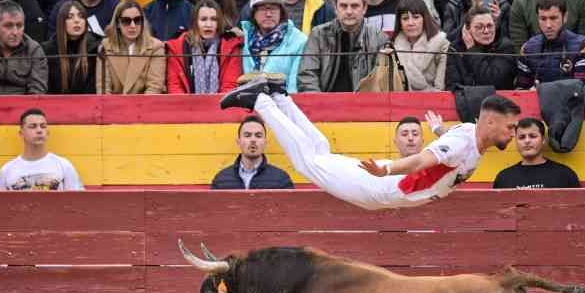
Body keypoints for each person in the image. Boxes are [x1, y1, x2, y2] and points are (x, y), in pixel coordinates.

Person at [220, 77, 522, 210]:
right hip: (381, 187)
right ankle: (261, 100)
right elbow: (420, 161)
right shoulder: (463, 142)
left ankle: (280, 97)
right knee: (309, 161)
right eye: (510, 127)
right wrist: (386, 169)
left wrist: (438, 129)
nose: (513, 134)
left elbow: (451, 142)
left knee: (320, 152)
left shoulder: (469, 133)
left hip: (385, 188)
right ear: (491, 123)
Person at [298, 0, 387, 93]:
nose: (349, 11)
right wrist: (319, 103)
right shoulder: (319, 34)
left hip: (364, 104)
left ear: (364, 8)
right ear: (335, 8)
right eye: (343, 6)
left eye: (354, 6)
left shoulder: (379, 38)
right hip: (324, 103)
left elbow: (382, 81)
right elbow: (307, 75)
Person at [0, 108, 85, 191]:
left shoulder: (64, 166)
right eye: (33, 126)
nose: (39, 130)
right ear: (21, 133)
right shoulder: (6, 170)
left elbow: (76, 202)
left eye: (43, 126)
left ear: (48, 132)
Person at [166, 0, 242, 94]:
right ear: (195, 23)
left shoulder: (230, 46)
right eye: (203, 19)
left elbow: (230, 85)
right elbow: (175, 86)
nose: (208, 24)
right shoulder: (178, 46)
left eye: (213, 19)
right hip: (185, 106)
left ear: (219, 23)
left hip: (219, 105)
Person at [240, 0, 308, 93]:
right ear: (254, 13)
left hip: (283, 103)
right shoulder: (242, 38)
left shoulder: (299, 41)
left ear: (281, 12)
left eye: (273, 8)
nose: (268, 14)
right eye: (262, 9)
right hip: (247, 104)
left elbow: (294, 85)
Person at [517, 0, 585, 88]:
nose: (548, 25)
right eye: (543, 19)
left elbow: (581, 88)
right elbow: (521, 89)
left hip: (571, 101)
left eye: (553, 18)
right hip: (536, 101)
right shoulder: (528, 48)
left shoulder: (582, 46)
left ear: (565, 17)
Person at [96, 0, 166, 93]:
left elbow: (154, 88)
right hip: (114, 106)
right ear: (117, 24)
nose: (132, 26)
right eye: (126, 21)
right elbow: (104, 89)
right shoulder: (105, 47)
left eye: (137, 20)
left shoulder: (156, 47)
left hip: (144, 105)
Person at [493, 117, 581, 188]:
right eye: (522, 137)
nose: (527, 141)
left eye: (533, 136)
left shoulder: (565, 175)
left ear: (543, 140)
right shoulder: (503, 178)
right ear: (516, 141)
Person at [211, 115, 295, 189]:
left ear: (265, 142)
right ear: (239, 141)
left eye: (258, 136)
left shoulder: (281, 179)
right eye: (247, 135)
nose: (253, 140)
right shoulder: (221, 180)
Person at [445, 5, 517, 90]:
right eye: (479, 27)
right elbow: (453, 86)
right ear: (467, 29)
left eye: (490, 26)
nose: (486, 31)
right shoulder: (455, 49)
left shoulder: (506, 47)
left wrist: (472, 50)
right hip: (464, 102)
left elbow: (494, 82)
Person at [392, 0, 449, 91]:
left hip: (433, 102)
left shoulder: (442, 44)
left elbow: (440, 88)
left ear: (425, 19)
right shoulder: (392, 47)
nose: (410, 23)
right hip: (401, 102)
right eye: (405, 18)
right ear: (400, 23)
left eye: (416, 17)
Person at [43, 0, 100, 94]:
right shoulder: (48, 50)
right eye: (70, 17)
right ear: (61, 23)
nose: (77, 20)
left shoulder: (94, 49)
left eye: (81, 16)